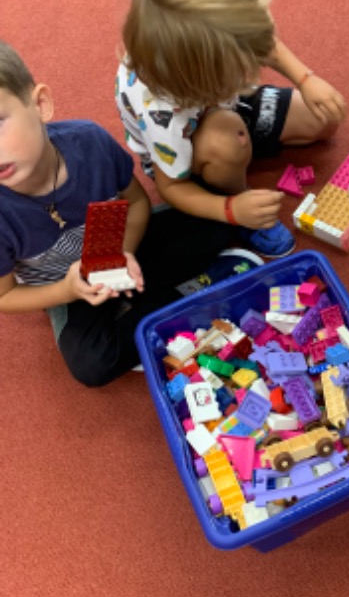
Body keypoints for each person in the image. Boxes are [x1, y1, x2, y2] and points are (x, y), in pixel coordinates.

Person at [0, 41, 258, 387]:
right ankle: (183, 298)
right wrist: (67, 290)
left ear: (40, 105)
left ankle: (147, 307)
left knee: (215, 220)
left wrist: (123, 252)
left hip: (125, 245)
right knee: (90, 364)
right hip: (69, 288)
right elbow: (5, 296)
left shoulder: (90, 141)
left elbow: (136, 203)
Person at [116, 0, 347, 257]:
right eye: (238, 66)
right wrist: (231, 208)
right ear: (202, 76)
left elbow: (262, 41)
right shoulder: (161, 114)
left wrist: (305, 79)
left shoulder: (213, 38)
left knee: (322, 119)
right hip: (182, 149)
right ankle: (233, 185)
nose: (250, 69)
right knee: (227, 141)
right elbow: (171, 188)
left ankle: (235, 148)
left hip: (220, 104)